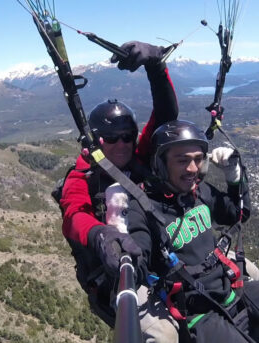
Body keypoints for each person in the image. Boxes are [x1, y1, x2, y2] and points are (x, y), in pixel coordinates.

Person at [126, 120, 259, 342]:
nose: (192, 169)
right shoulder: (142, 209)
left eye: (198, 160)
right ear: (160, 164)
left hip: (232, 287)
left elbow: (238, 214)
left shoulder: (198, 193)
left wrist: (234, 179)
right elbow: (138, 254)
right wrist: (125, 252)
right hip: (198, 311)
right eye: (182, 161)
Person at [59, 41, 180, 341]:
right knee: (164, 336)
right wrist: (99, 234)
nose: (124, 144)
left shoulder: (138, 158)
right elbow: (74, 215)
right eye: (114, 138)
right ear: (98, 142)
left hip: (159, 261)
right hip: (119, 275)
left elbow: (165, 116)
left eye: (128, 136)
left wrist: (156, 66)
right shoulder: (82, 177)